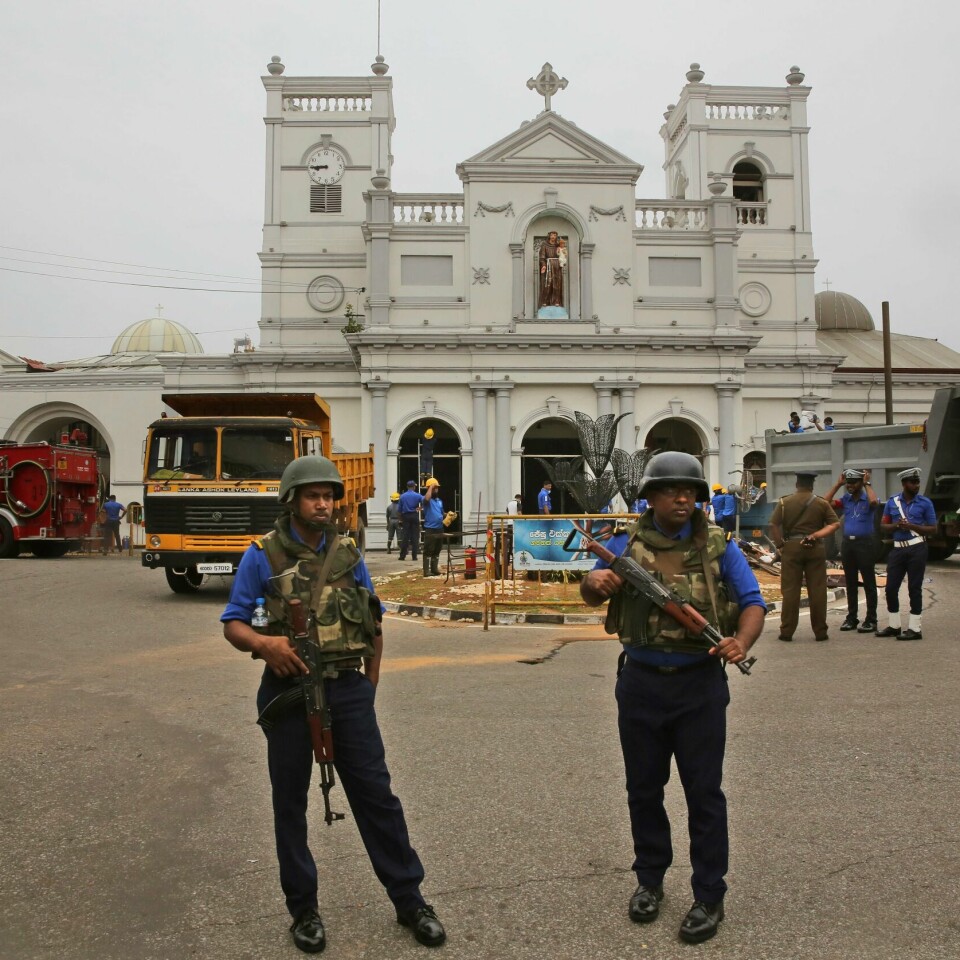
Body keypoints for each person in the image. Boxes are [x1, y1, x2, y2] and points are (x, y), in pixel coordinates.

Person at [220, 457, 446, 952]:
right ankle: (303, 910)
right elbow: (234, 622)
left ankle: (410, 900)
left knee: (377, 797)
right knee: (290, 803)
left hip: (347, 689)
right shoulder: (261, 555)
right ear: (293, 500)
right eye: (313, 495)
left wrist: (369, 685)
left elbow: (374, 621)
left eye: (329, 495)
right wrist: (265, 645)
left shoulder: (347, 553)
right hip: (288, 689)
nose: (323, 504)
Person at [579, 451, 765, 945]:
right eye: (670, 490)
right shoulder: (624, 542)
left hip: (698, 685)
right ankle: (650, 881)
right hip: (640, 683)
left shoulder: (720, 547)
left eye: (691, 491)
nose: (682, 498)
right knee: (644, 788)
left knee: (704, 792)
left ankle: (709, 893)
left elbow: (752, 603)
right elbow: (592, 592)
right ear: (651, 498)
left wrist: (741, 642)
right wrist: (592, 582)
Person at [769, 473, 841, 642]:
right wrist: (816, 535)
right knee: (817, 590)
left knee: (790, 590)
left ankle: (786, 631)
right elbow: (835, 524)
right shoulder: (821, 503)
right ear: (812, 485)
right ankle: (820, 632)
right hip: (814, 547)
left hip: (791, 547)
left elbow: (773, 524)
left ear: (797, 484)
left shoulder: (784, 503)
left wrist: (780, 545)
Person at [876, 467, 938, 640]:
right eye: (912, 482)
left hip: (917, 548)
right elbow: (883, 526)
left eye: (917, 482)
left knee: (914, 588)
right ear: (904, 484)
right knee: (890, 588)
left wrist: (911, 526)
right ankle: (894, 625)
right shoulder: (892, 502)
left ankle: (915, 628)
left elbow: (933, 529)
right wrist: (897, 525)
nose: (916, 485)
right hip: (897, 549)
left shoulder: (925, 503)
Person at [824, 469, 879, 633]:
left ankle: (871, 619)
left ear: (861, 483)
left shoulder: (867, 498)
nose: (850, 485)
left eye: (854, 482)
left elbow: (874, 502)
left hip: (865, 544)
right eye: (848, 482)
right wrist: (837, 484)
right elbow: (825, 503)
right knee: (851, 583)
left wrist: (867, 482)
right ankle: (852, 617)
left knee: (869, 583)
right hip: (848, 545)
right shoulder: (845, 500)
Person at [421, 478, 444, 577]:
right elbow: (426, 498)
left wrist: (448, 515)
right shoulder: (426, 500)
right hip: (430, 528)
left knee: (437, 549)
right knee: (428, 550)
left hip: (439, 527)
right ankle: (426, 571)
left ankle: (434, 569)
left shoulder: (439, 501)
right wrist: (430, 487)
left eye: (437, 488)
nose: (436, 490)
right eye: (434, 488)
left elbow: (441, 512)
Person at [538, 231, 566, 309]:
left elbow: (562, 255)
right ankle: (545, 302)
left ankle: (557, 301)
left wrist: (562, 257)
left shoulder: (558, 246)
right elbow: (542, 257)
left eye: (555, 235)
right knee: (547, 283)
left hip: (557, 266)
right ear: (549, 236)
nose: (553, 236)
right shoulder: (544, 245)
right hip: (548, 265)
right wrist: (543, 265)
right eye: (552, 235)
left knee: (557, 284)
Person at [398, 480, 424, 562]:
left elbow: (399, 510)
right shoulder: (417, 495)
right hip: (414, 515)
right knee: (415, 536)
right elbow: (425, 502)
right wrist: (420, 508)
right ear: (414, 487)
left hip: (405, 516)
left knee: (405, 536)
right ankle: (414, 556)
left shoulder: (402, 496)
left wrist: (400, 519)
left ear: (407, 487)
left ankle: (402, 556)